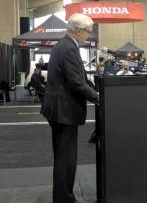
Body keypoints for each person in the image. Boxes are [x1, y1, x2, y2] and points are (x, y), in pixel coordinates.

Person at [40, 13, 99, 203]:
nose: (89, 36)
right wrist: (99, 98)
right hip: (63, 111)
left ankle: (63, 197)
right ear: (79, 30)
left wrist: (96, 92)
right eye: (88, 32)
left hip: (58, 109)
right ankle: (64, 199)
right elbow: (76, 83)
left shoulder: (63, 45)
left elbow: (78, 79)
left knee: (62, 157)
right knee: (66, 159)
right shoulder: (69, 49)